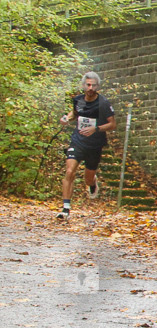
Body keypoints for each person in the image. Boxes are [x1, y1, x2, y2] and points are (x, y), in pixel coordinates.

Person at [56, 72, 116, 219]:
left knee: (87, 179)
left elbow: (113, 124)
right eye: (88, 85)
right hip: (78, 141)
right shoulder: (78, 100)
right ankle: (65, 209)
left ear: (97, 86)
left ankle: (93, 182)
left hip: (94, 145)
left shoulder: (103, 103)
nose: (90, 88)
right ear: (83, 85)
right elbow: (76, 113)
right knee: (70, 171)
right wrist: (67, 118)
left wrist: (95, 129)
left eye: (93, 85)